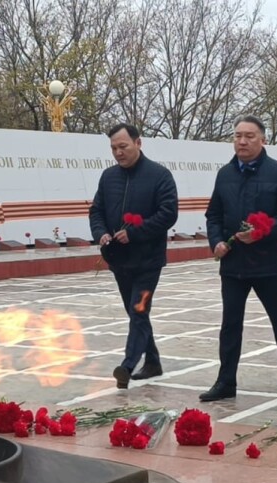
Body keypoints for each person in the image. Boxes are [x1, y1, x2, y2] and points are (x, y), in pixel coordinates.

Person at [201, 115, 277, 402]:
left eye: (249, 136)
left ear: (263, 139)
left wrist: (263, 231)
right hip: (233, 264)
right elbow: (214, 214)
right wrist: (217, 241)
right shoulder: (225, 174)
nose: (242, 141)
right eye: (237, 136)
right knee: (230, 322)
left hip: (267, 261)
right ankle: (225, 381)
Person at [89, 123, 179, 389]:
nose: (118, 153)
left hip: (148, 262)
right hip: (119, 260)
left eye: (123, 146)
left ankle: (127, 366)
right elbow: (96, 211)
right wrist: (102, 233)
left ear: (138, 143)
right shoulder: (108, 177)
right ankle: (152, 361)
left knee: (139, 309)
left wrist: (136, 233)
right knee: (134, 312)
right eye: (114, 148)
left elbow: (168, 213)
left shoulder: (159, 176)